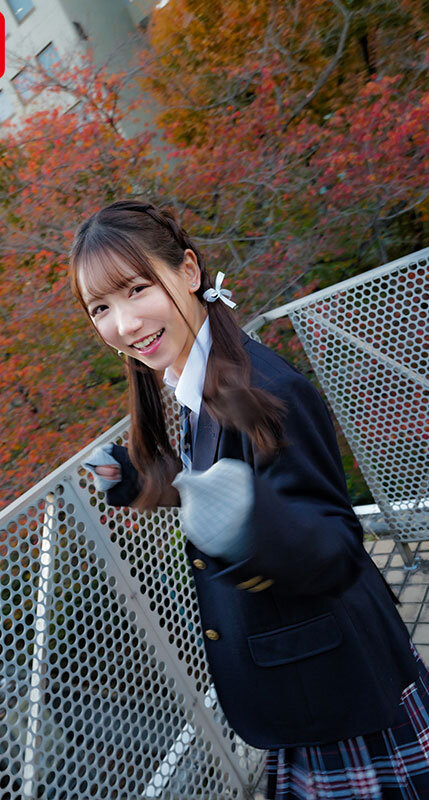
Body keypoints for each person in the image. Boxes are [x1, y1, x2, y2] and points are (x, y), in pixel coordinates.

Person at [69, 199, 429, 799]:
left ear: (188, 271)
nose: (124, 324)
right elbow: (212, 480)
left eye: (136, 289)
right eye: (100, 307)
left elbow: (338, 546)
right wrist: (133, 478)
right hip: (298, 683)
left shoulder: (269, 388)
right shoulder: (193, 374)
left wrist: (248, 528)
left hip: (340, 686)